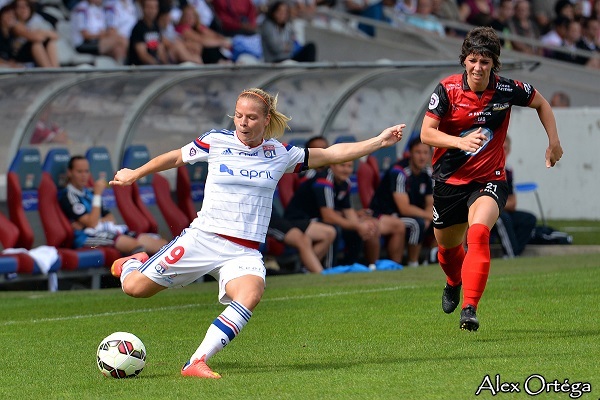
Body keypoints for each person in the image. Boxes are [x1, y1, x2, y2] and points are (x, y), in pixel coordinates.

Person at [108, 87, 405, 378]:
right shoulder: (216, 141)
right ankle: (131, 264)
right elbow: (175, 157)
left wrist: (378, 141)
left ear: (266, 120)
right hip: (203, 238)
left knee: (251, 294)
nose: (243, 122)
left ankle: (196, 362)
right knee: (135, 289)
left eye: (251, 117)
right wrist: (135, 173)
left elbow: (329, 154)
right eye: (238, 115)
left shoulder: (279, 153)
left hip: (244, 251)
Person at [420, 26, 563, 331]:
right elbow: (426, 134)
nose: (478, 67)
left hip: (489, 178)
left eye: (485, 62)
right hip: (449, 181)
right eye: (473, 60)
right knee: (447, 248)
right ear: (464, 60)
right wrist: (460, 142)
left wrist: (553, 141)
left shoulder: (507, 90)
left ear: (494, 64)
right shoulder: (446, 90)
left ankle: (470, 308)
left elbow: (542, 103)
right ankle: (453, 281)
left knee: (480, 233)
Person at [285, 160, 406, 267]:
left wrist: (362, 226)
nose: (346, 170)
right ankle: (328, 268)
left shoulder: (345, 183)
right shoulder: (324, 181)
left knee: (357, 229)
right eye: (342, 165)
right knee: (334, 228)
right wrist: (358, 225)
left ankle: (351, 265)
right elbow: (329, 216)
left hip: (317, 219)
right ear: (332, 165)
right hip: (297, 220)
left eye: (349, 166)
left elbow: (348, 212)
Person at [58, 156, 168, 256]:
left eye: (86, 171)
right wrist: (97, 195)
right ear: (70, 172)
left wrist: (94, 221)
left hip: (106, 231)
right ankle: (139, 276)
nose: (84, 175)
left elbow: (111, 219)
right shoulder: (69, 196)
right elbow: (92, 223)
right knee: (135, 246)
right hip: (85, 237)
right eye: (79, 172)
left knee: (161, 245)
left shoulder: (89, 192)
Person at [370, 137, 434, 267]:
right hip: (386, 213)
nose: (422, 157)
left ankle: (433, 259)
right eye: (418, 152)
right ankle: (412, 263)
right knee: (417, 223)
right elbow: (404, 208)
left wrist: (430, 217)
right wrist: (429, 216)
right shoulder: (399, 172)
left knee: (447, 221)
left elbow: (430, 202)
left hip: (412, 214)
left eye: (425, 153)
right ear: (409, 153)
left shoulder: (428, 173)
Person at [491, 136, 537, 258]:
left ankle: (515, 251)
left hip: (501, 209)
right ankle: (511, 255)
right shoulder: (487, 169)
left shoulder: (508, 172)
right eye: (499, 148)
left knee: (529, 219)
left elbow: (513, 203)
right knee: (501, 218)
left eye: (505, 148)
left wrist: (497, 203)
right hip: (489, 212)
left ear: (509, 151)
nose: (502, 151)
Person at [267, 208, 336, 273]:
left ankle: (308, 270)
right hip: (263, 217)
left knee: (308, 238)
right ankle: (321, 274)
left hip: (271, 212)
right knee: (302, 240)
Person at [70, 0, 128, 64]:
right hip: (83, 44)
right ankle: (133, 64)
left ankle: (121, 70)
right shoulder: (81, 9)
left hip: (98, 41)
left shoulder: (99, 8)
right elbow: (85, 35)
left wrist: (105, 34)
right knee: (120, 39)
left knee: (118, 48)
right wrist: (102, 35)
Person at [127, 0, 169, 65]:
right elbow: (143, 55)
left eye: (154, 7)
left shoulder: (156, 27)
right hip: (140, 69)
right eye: (149, 7)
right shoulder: (138, 28)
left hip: (154, 68)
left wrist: (166, 65)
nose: (152, 11)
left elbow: (160, 49)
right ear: (143, 8)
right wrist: (158, 65)